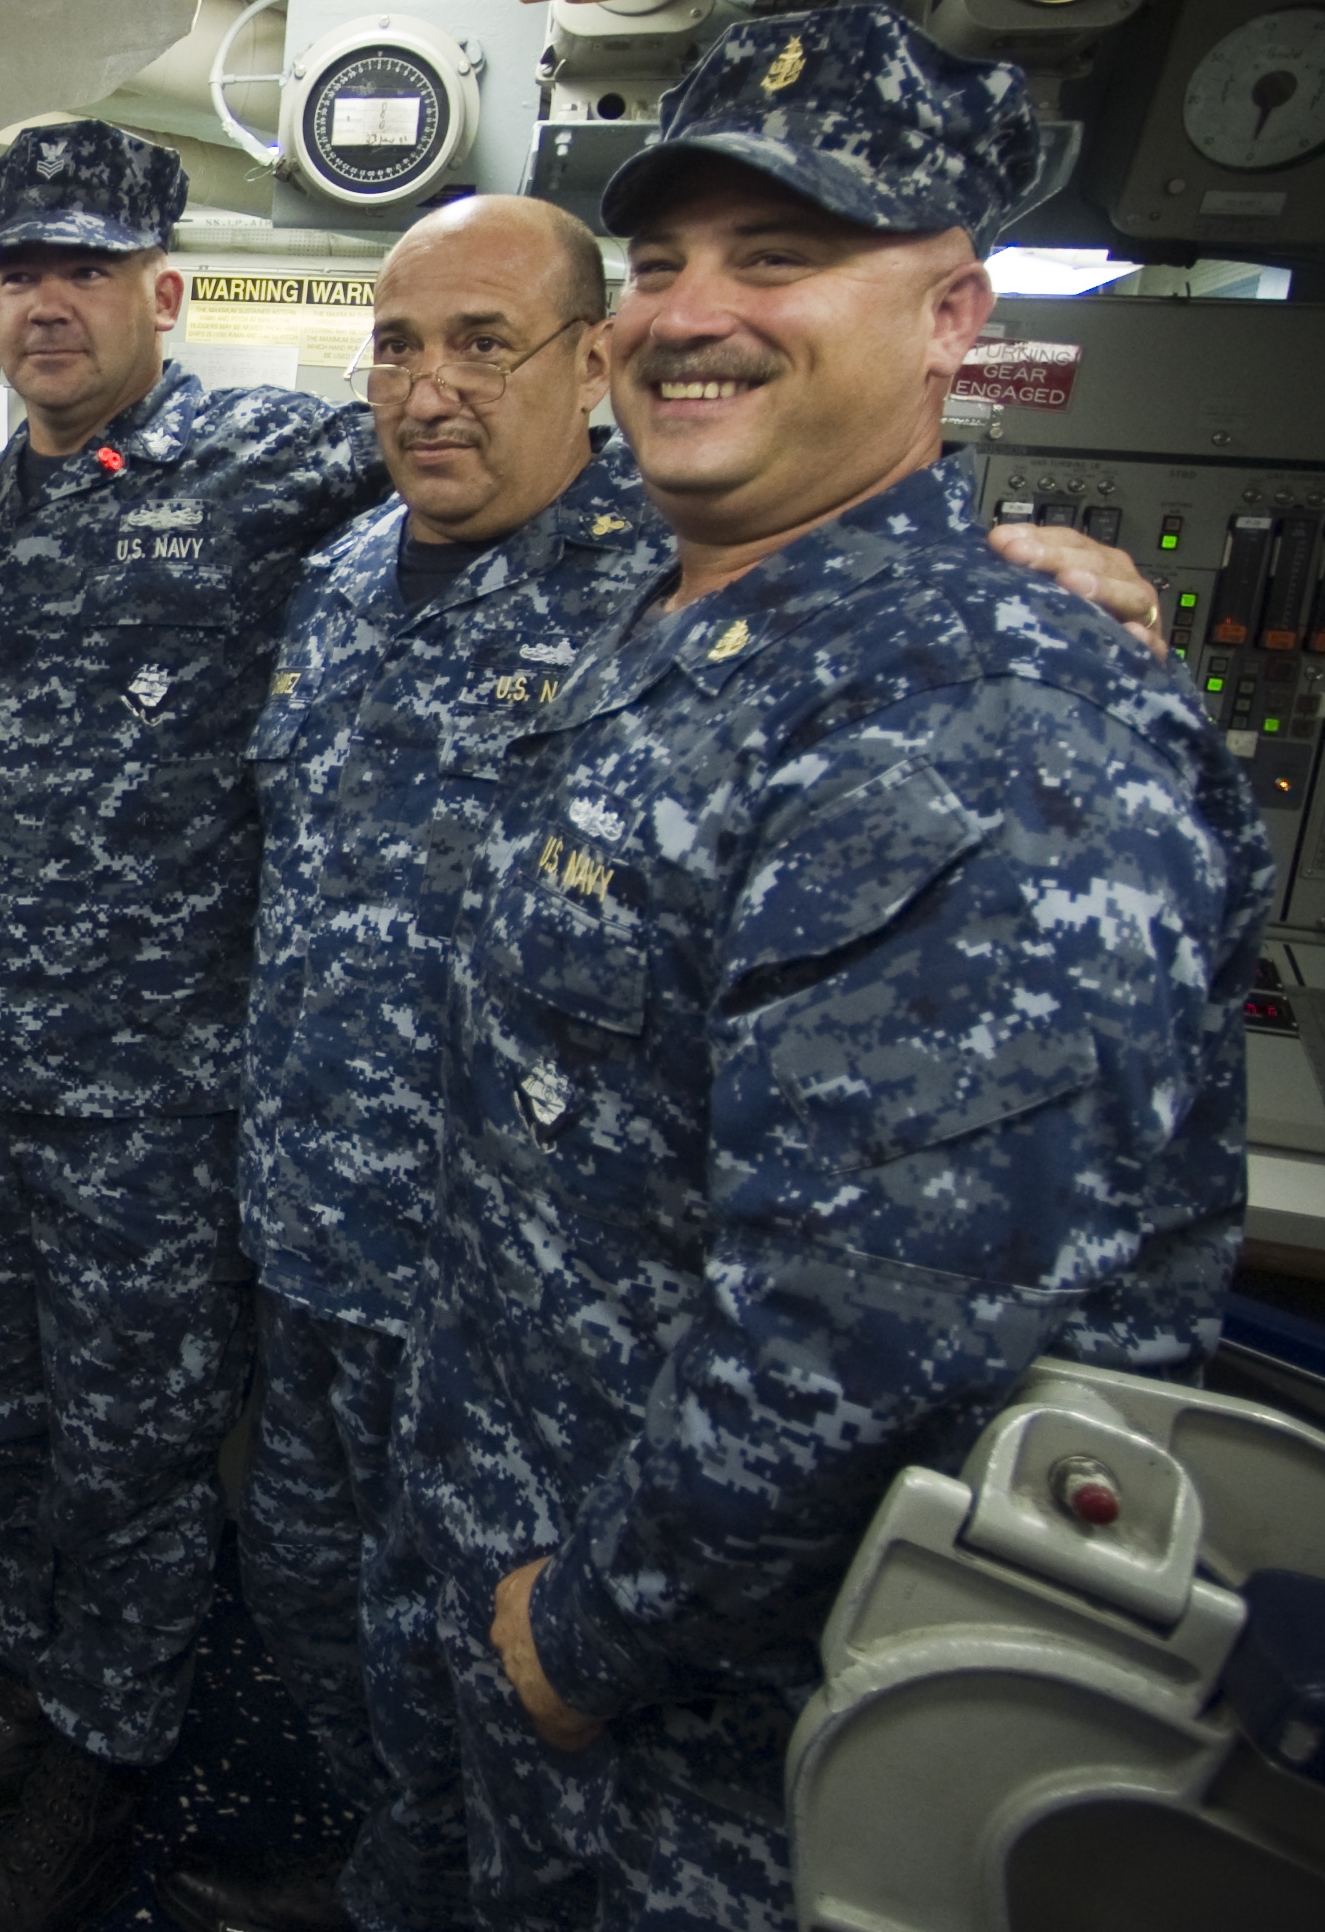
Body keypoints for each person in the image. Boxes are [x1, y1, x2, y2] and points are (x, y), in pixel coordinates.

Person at [157, 192, 1163, 1932]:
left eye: (487, 344)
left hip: (536, 1316)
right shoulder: (336, 575)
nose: (431, 390)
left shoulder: (685, 582)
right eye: (398, 345)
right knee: (333, 1621)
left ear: (594, 361)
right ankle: (388, 1875)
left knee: (530, 1712)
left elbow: (885, 595)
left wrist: (1054, 567)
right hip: (316, 1234)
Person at [394, 6, 1267, 1932]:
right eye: (664, 264)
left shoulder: (993, 719)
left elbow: (871, 1321)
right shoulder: (690, 608)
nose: (695, 311)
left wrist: (585, 1633)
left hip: (723, 1726)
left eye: (781, 259)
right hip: (534, 1558)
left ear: (954, 318)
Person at [0, 119, 401, 1932]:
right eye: (22, 268)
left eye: (85, 268)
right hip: (2, 1065)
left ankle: (107, 1751)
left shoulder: (267, 456)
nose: (48, 302)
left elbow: (532, 465)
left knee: (139, 1447)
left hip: (170, 1095)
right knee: (5, 1415)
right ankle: (35, 1670)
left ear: (165, 287)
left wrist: (920, 535)